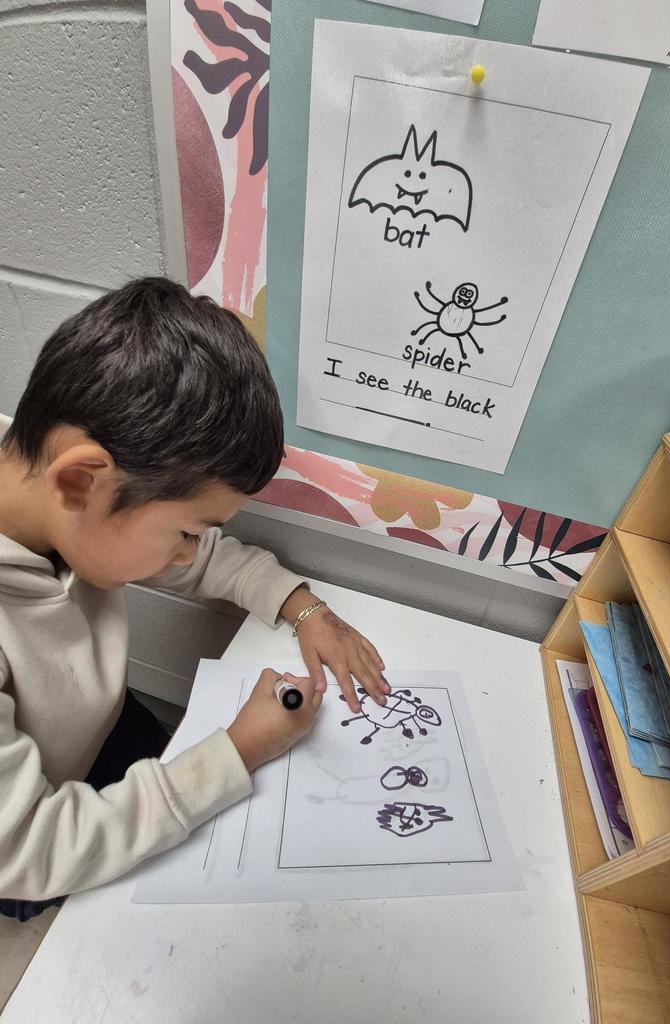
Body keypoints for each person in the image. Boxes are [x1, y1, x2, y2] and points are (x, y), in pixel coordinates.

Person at [0, 277, 389, 921]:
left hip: (100, 729)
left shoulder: (45, 475)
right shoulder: (78, 486)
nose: (189, 553)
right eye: (186, 531)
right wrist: (238, 751)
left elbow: (204, 560)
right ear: (81, 481)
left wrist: (302, 606)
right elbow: (29, 852)